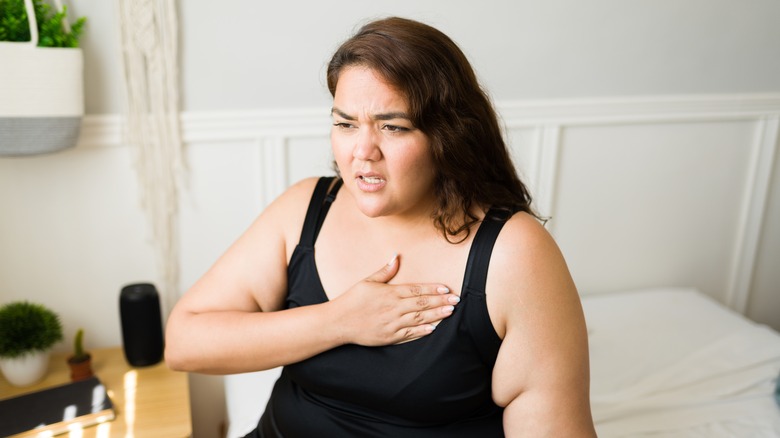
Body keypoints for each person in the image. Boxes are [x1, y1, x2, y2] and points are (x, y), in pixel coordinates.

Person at [165, 16, 596, 437]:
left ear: (449, 135)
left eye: (393, 126)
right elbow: (184, 343)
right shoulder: (306, 207)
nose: (362, 151)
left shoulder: (514, 252)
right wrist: (340, 320)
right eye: (345, 124)